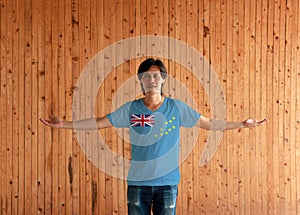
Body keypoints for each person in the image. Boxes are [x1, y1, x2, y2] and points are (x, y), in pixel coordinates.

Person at [40, 58, 267, 215]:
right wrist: (64, 125)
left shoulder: (176, 108)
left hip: (167, 185)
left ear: (163, 79)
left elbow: (207, 123)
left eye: (156, 75)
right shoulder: (130, 109)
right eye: (147, 76)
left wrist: (241, 124)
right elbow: (99, 123)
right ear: (141, 80)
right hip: (138, 185)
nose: (152, 79)